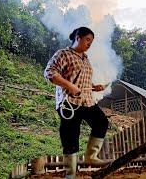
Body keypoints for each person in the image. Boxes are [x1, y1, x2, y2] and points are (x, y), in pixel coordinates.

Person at [44, 27, 109, 179]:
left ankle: (90, 156)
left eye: (91, 42)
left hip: (87, 101)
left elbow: (81, 81)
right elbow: (49, 73)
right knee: (71, 137)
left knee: (101, 122)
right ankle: (70, 174)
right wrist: (69, 86)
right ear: (78, 37)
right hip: (69, 103)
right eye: (87, 40)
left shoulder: (85, 59)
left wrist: (94, 86)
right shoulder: (63, 54)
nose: (89, 44)